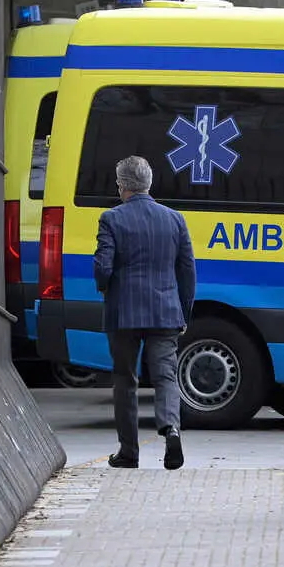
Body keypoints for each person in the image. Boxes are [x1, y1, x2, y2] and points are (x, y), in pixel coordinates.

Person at [93, 155, 196, 470]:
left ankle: (129, 452)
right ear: (149, 183)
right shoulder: (174, 219)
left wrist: (105, 286)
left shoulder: (111, 219)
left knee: (125, 379)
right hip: (165, 311)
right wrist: (183, 313)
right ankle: (171, 429)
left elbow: (102, 268)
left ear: (121, 186)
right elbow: (187, 271)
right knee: (165, 376)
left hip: (123, 312)